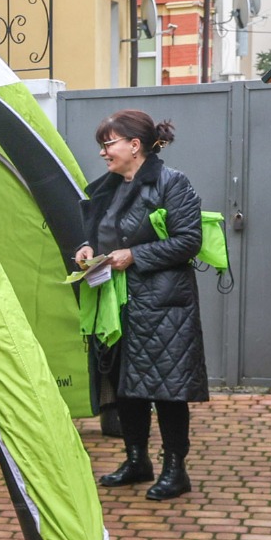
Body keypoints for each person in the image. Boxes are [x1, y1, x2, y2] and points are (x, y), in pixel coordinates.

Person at [76, 111, 207, 500]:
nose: (103, 152)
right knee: (126, 386)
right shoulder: (108, 187)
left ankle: (175, 470)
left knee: (167, 389)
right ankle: (137, 460)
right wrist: (87, 249)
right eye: (102, 144)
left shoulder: (171, 182)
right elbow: (96, 233)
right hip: (117, 303)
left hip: (163, 305)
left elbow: (188, 240)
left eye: (109, 143)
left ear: (134, 146)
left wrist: (135, 255)